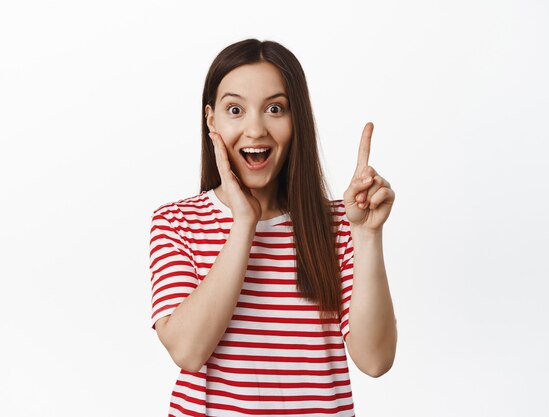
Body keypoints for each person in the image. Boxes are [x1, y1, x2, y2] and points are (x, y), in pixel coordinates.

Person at [148, 38, 397, 417]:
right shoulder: (177, 222)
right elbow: (188, 350)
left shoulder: (340, 224)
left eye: (275, 109)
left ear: (297, 120)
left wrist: (366, 235)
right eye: (235, 109)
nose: (255, 129)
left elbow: (375, 360)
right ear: (212, 120)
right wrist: (244, 224)